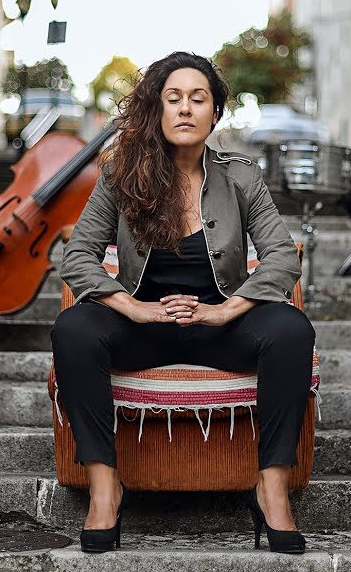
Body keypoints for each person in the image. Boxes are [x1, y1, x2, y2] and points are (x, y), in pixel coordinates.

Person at [54, 51, 316, 554]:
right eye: (173, 98)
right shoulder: (120, 175)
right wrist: (134, 308)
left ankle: (272, 489)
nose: (185, 109)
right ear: (157, 109)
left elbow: (283, 257)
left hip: (221, 330)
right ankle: (105, 488)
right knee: (74, 328)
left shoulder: (241, 176)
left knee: (290, 330)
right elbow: (78, 256)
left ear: (215, 113)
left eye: (198, 99)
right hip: (142, 330)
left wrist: (225, 310)